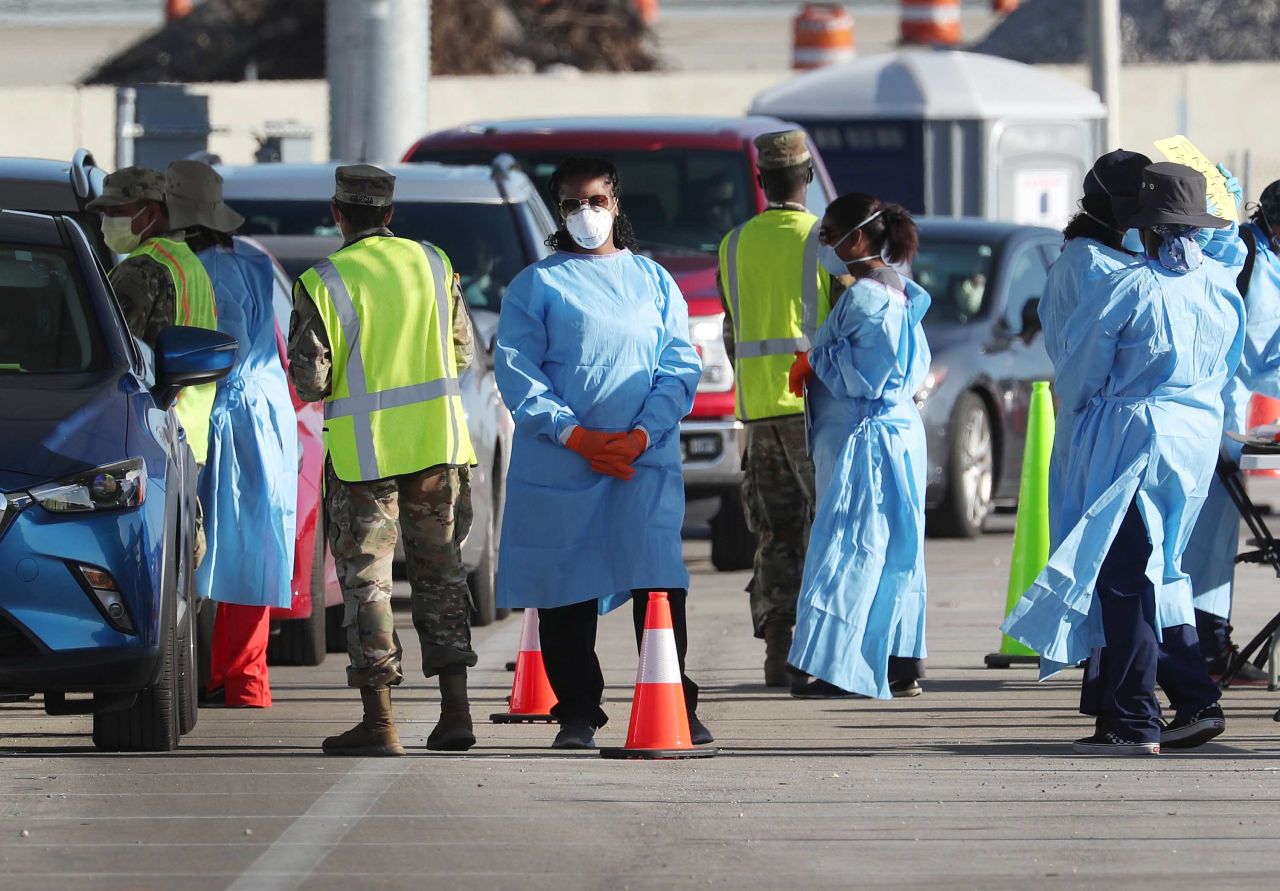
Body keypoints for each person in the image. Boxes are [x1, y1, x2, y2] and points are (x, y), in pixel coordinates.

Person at [1002, 163, 1245, 755]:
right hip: (1192, 437)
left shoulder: (1129, 284)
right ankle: (1185, 702)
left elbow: (1082, 371)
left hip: (1133, 435)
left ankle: (1145, 715)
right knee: (1163, 569)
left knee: (1124, 577)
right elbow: (1232, 359)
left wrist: (1094, 411)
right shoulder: (1217, 282)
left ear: (1146, 223)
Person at [494, 156, 711, 750]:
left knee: (659, 580)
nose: (584, 214)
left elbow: (678, 365)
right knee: (566, 586)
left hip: (643, 459)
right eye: (571, 204)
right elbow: (518, 372)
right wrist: (577, 436)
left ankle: (673, 700)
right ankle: (577, 710)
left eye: (594, 200)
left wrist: (641, 435)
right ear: (557, 212)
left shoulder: (653, 280)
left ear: (615, 202)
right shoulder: (537, 285)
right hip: (564, 460)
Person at [289, 164, 478, 756]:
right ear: (390, 215)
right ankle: (456, 714)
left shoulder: (323, 280)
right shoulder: (434, 263)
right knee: (441, 576)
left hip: (364, 458)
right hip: (438, 449)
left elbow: (309, 378)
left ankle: (380, 724)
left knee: (369, 586)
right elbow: (463, 352)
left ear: (337, 213)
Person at [785, 193, 931, 700]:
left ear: (859, 237)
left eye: (828, 234)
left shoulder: (867, 298)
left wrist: (814, 361)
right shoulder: (901, 289)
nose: (824, 244)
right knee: (897, 547)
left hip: (864, 441)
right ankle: (899, 661)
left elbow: (865, 376)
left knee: (851, 546)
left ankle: (839, 666)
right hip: (896, 435)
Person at [166, 160, 298, 709]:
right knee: (249, 546)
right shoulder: (250, 258)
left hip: (226, 412)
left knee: (220, 547)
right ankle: (238, 674)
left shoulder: (202, 268)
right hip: (260, 414)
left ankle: (240, 677)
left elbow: (226, 348)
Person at [716, 130, 836, 688]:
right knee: (827, 529)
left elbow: (729, 331)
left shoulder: (733, 244)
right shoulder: (825, 241)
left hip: (758, 411)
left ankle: (777, 651)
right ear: (807, 178)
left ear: (761, 181)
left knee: (775, 533)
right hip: (815, 412)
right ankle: (820, 653)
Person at [88, 165, 219, 564]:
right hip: (188, 437)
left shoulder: (140, 271)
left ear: (151, 211)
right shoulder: (189, 265)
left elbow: (108, 358)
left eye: (117, 209)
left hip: (150, 438)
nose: (108, 220)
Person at [1184, 178, 1280, 680]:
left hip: (1235, 414)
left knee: (1217, 539)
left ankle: (1212, 647)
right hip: (1213, 410)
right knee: (1199, 538)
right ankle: (1197, 651)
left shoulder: (1270, 258)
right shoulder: (1244, 254)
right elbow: (1255, 349)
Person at [1039, 150, 1151, 549]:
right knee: (1096, 559)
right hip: (1094, 425)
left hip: (1111, 426)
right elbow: (1089, 364)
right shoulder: (1089, 264)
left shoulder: (1116, 259)